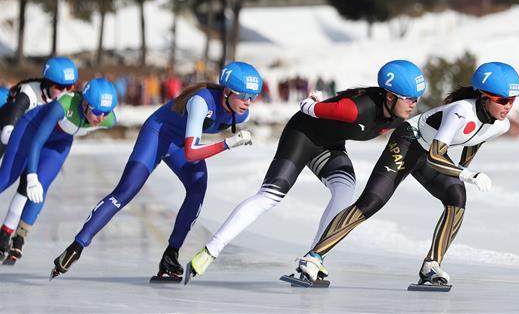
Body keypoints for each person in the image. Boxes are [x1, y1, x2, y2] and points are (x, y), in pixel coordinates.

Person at [182, 59, 427, 284]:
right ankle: (210, 250)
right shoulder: (354, 109)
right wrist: (314, 102)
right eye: (409, 99)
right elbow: (307, 107)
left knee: (344, 190)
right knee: (270, 196)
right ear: (390, 97)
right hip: (302, 136)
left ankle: (313, 258)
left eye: (417, 99)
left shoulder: (396, 117)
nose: (413, 104)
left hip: (330, 145)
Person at [290, 61, 519, 288]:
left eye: (512, 100)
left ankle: (431, 266)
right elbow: (436, 156)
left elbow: (475, 140)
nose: (508, 106)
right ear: (483, 96)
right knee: (371, 202)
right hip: (408, 142)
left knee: (456, 197)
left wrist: (463, 167)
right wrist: (467, 174)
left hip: (428, 151)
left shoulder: (502, 125)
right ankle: (313, 258)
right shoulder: (462, 111)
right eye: (503, 100)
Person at [50, 61, 262, 282]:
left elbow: (189, 147)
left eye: (252, 96)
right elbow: (192, 152)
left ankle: (171, 256)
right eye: (244, 95)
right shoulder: (201, 102)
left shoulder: (240, 113)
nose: (248, 102)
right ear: (227, 91)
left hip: (180, 144)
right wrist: (228, 144)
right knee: (126, 191)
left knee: (198, 187)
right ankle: (76, 246)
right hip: (158, 135)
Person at [0, 78, 118, 264]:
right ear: (85, 103)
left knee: (42, 187)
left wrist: (36, 180)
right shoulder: (63, 105)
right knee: (4, 179)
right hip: (31, 130)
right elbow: (37, 142)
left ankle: (19, 239)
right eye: (97, 111)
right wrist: (30, 176)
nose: (101, 118)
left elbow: (102, 119)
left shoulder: (109, 120)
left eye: (106, 112)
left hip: (60, 142)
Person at [0, 58, 79, 258]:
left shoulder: (65, 101)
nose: (66, 91)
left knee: (28, 183)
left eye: (70, 87)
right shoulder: (29, 92)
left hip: (29, 136)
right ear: (47, 83)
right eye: (60, 86)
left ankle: (5, 235)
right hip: (5, 131)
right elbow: (10, 125)